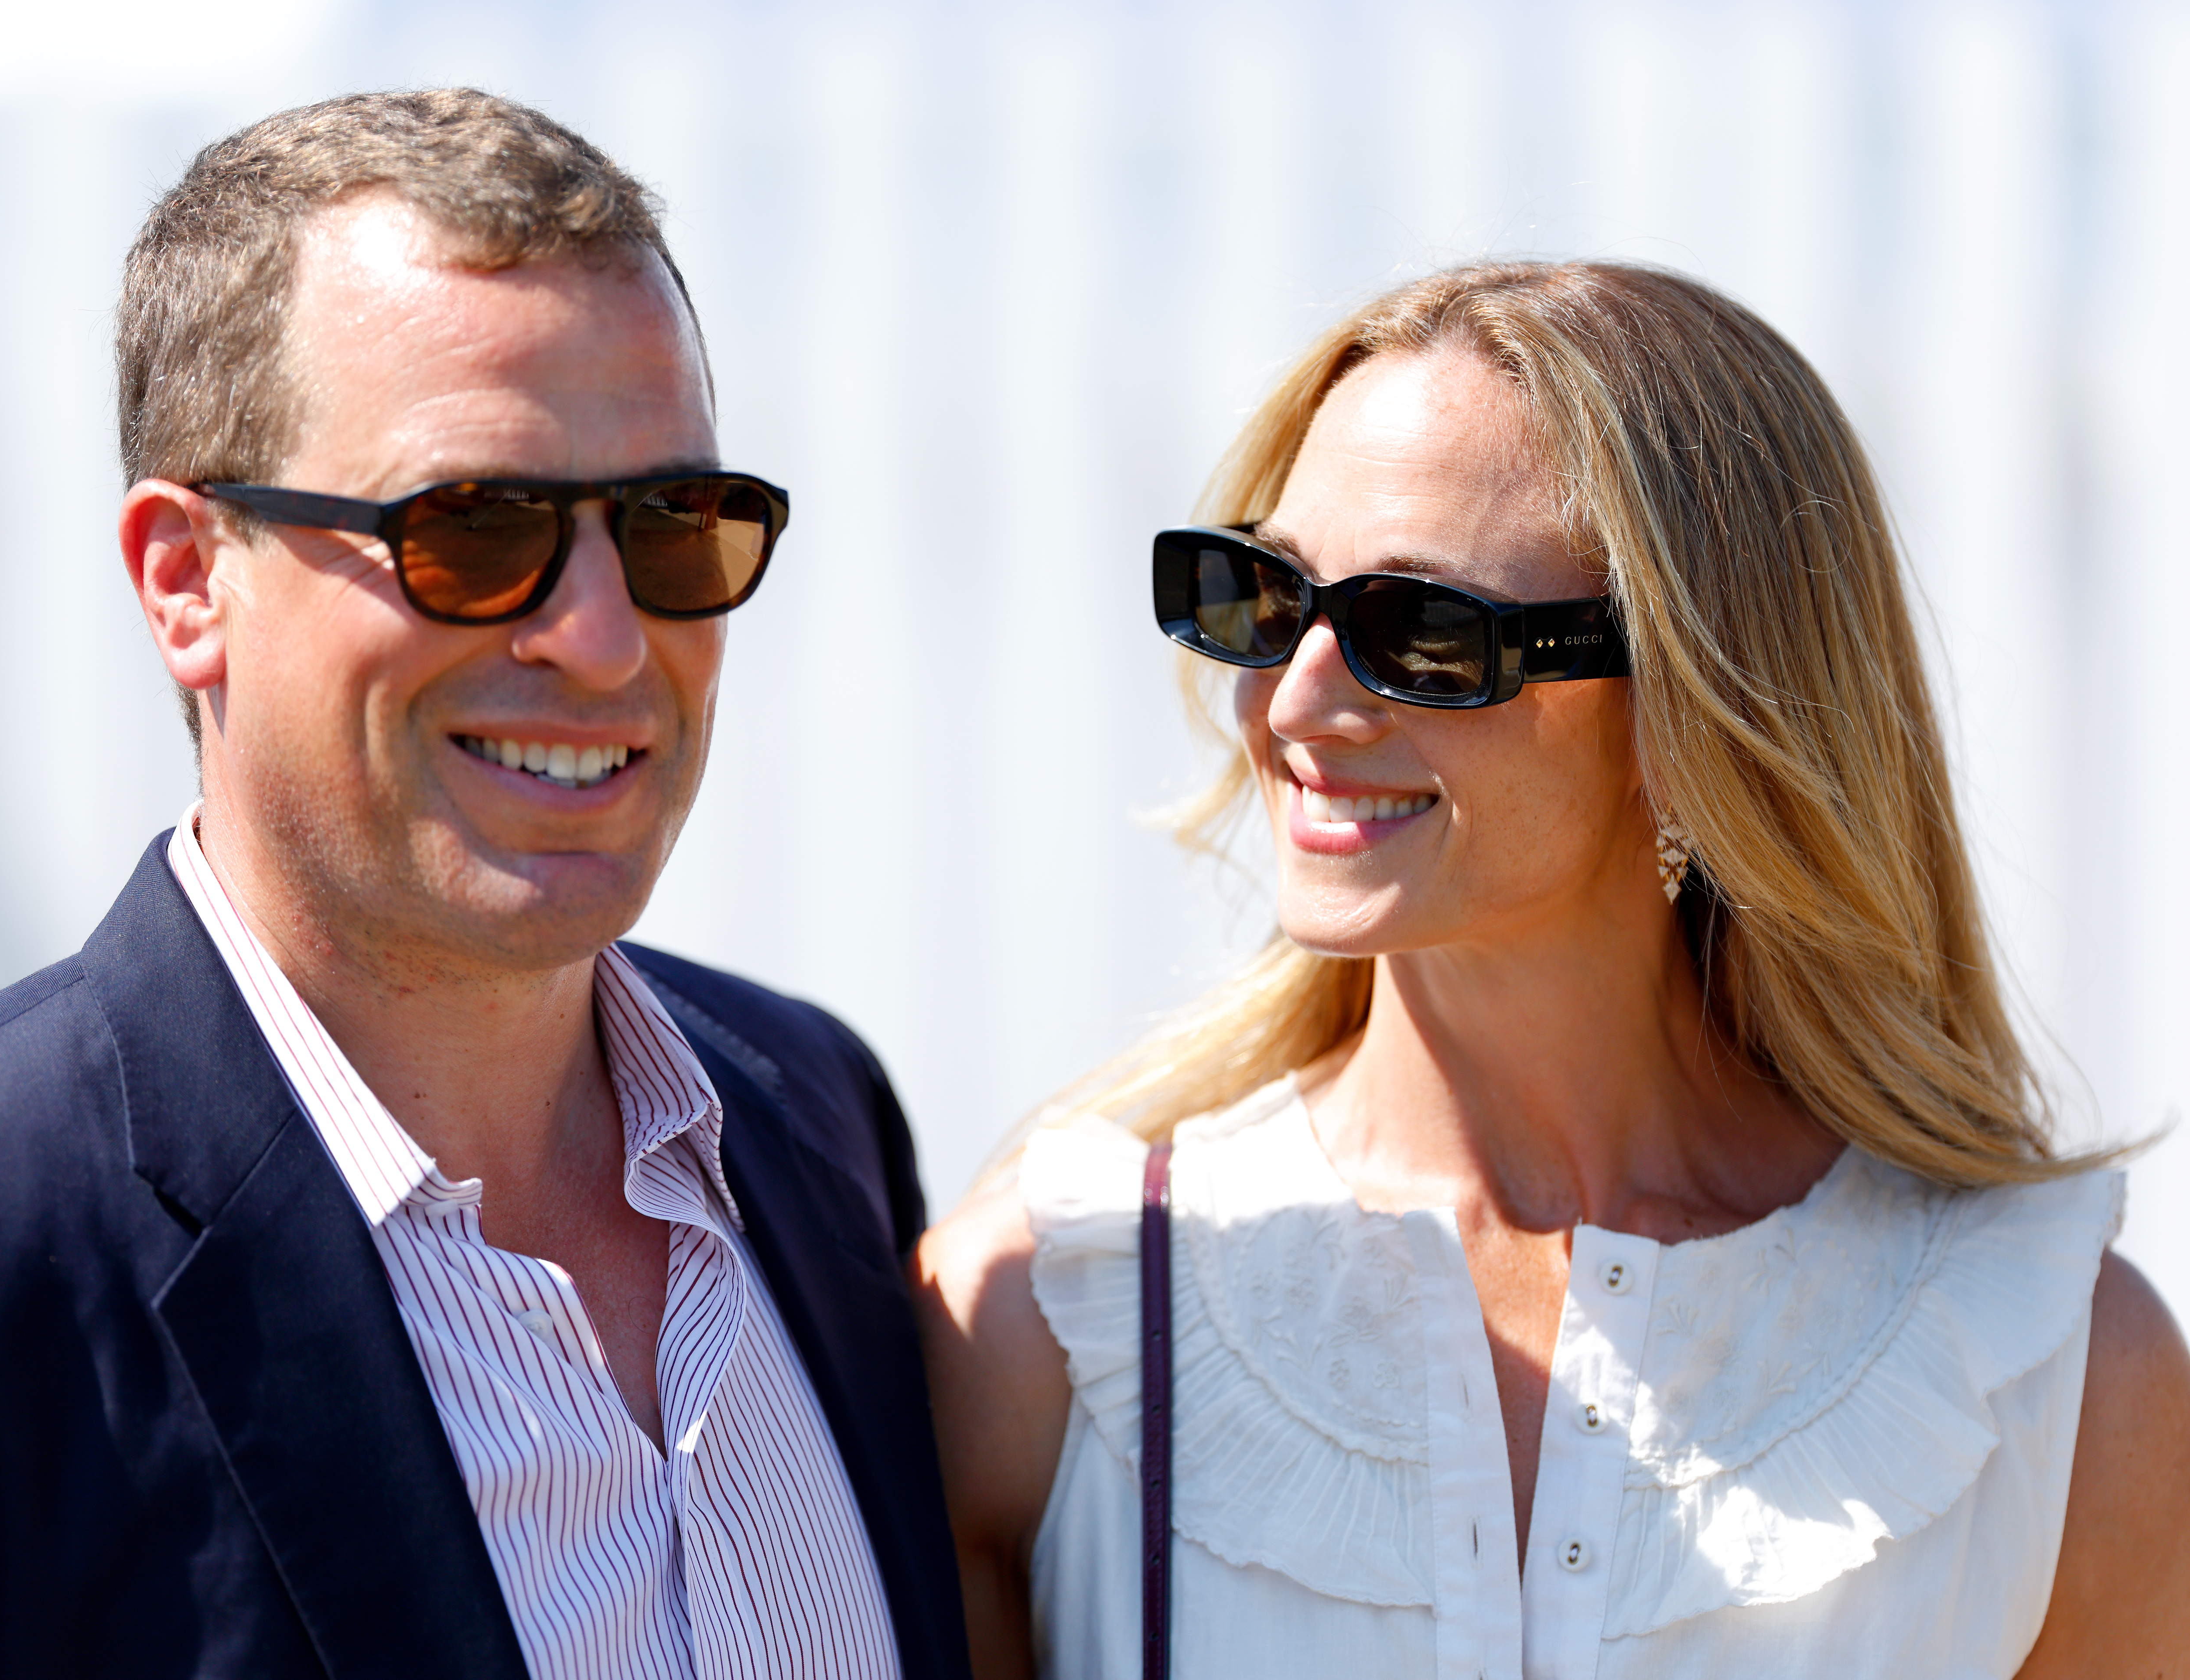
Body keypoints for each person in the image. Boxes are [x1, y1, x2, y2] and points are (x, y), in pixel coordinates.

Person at [0, 90, 967, 1680]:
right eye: (474, 530)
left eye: (672, 524)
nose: (608, 640)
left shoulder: (812, 1119)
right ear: (187, 579)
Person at [915, 260, 2190, 1678]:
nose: (1295, 699)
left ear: (1696, 707)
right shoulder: (1042, 1318)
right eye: (1262, 596)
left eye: (1420, 633)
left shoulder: (2060, 1377)